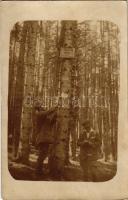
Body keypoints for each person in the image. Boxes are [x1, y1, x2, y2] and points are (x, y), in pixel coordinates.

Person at [34, 104, 57, 176]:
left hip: (45, 139)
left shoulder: (44, 117)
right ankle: (38, 172)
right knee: (42, 155)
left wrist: (56, 114)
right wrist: (54, 107)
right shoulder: (39, 115)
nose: (43, 107)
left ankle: (39, 171)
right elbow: (47, 112)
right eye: (41, 107)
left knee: (43, 155)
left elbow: (51, 122)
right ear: (39, 109)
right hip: (42, 138)